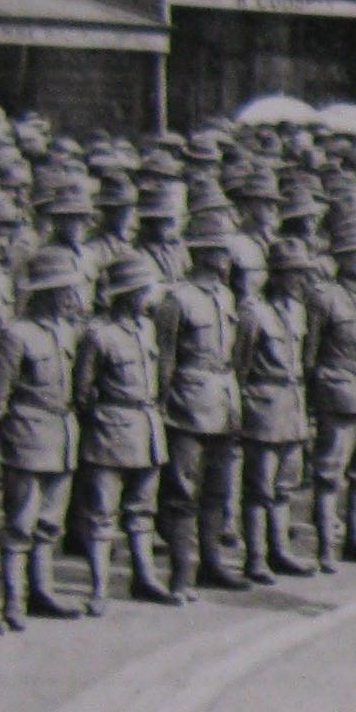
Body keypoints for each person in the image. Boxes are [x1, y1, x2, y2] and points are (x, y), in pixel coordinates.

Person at [73, 255, 179, 614]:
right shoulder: (99, 335)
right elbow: (83, 391)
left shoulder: (147, 329)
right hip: (111, 432)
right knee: (103, 515)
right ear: (128, 294)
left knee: (142, 511)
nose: (150, 297)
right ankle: (99, 588)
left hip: (147, 430)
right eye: (144, 290)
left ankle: (145, 577)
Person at [0, 247, 86, 630]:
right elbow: (1, 396)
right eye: (65, 291)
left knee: (49, 523)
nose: (72, 298)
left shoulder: (68, 331)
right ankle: (12, 598)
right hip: (27, 433)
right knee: (20, 523)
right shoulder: (17, 334)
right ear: (47, 292)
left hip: (61, 433)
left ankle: (41, 590)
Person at [155, 229, 247, 597]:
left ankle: (211, 563)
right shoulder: (177, 299)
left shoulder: (225, 296)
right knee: (182, 491)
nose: (227, 258)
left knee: (217, 490)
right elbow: (165, 357)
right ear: (204, 253)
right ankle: (181, 573)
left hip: (223, 401)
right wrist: (162, 402)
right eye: (221, 251)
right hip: (187, 403)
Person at [303, 216, 356, 573]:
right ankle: (326, 546)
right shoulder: (323, 297)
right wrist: (315, 396)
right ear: (340, 257)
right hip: (337, 392)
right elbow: (309, 353)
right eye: (355, 254)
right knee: (329, 474)